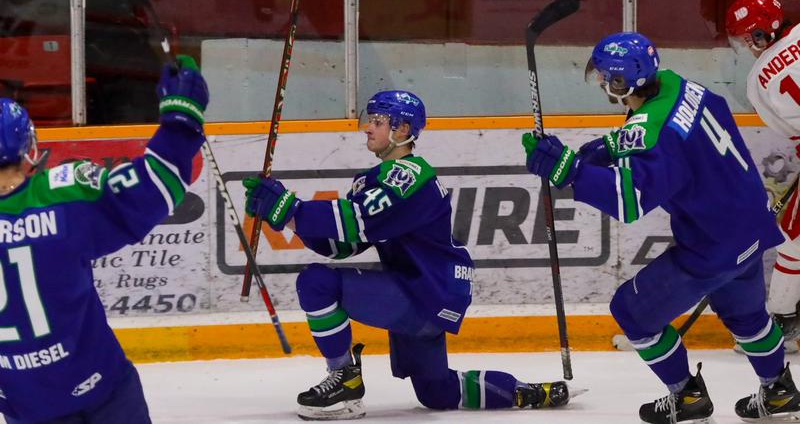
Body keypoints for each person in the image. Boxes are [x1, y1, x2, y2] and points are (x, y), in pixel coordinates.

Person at [243, 90, 571, 420]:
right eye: (369, 120)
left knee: (316, 282)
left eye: (378, 121)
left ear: (401, 130)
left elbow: (356, 220)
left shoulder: (409, 176)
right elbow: (343, 246)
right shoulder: (373, 181)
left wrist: (290, 209)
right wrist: (286, 217)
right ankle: (526, 391)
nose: (368, 127)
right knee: (437, 392)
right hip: (428, 291)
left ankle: (344, 377)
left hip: (425, 291)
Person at [522, 32, 799, 422]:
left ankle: (687, 397)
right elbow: (660, 130)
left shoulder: (656, 131)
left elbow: (629, 200)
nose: (600, 82)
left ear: (621, 82)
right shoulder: (680, 85)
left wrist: (570, 171)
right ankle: (779, 392)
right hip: (752, 225)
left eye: (604, 76)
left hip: (713, 245)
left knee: (631, 312)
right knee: (748, 318)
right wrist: (603, 149)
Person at [0, 54, 208, 423]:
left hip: (28, 406)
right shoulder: (62, 196)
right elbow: (156, 185)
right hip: (105, 392)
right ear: (26, 146)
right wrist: (182, 117)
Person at [726, 0, 800, 349]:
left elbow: (787, 130)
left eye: (748, 38)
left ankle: (782, 321)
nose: (748, 46)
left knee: (793, 239)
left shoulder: (758, 81)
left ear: (762, 33)